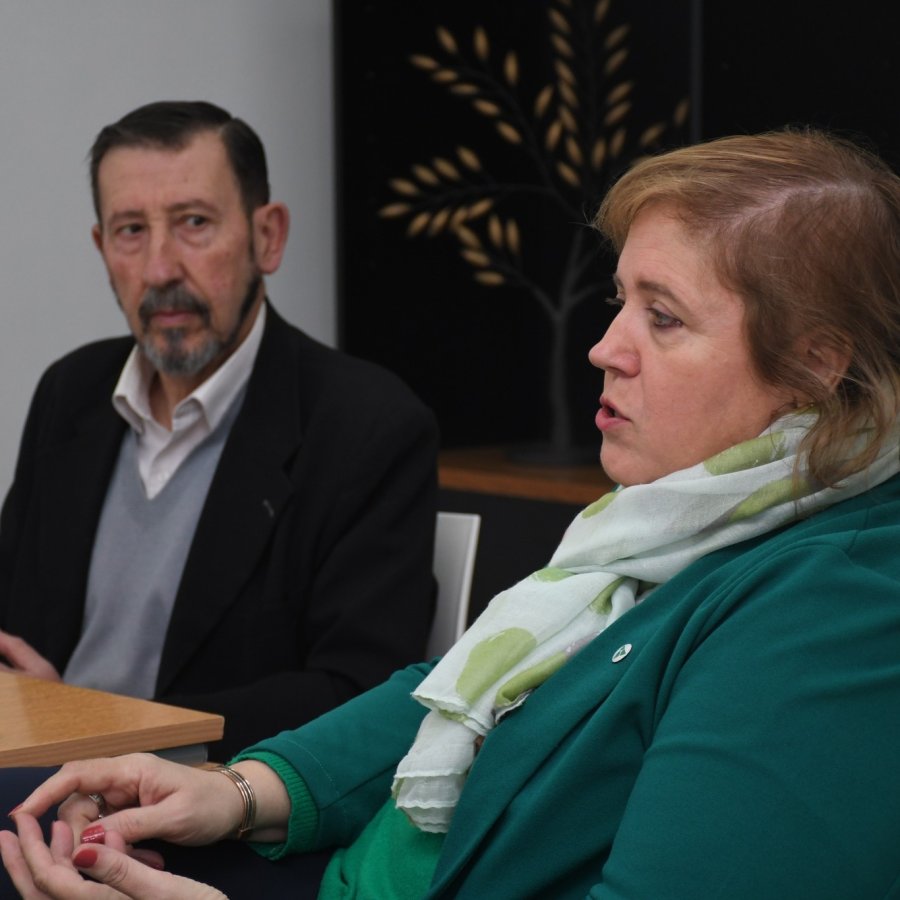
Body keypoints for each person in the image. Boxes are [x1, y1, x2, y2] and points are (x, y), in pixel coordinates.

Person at [5, 125, 900, 899]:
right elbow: (457, 690)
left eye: (662, 317)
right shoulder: (677, 520)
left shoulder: (834, 609)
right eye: (618, 301)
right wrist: (240, 791)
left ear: (814, 366)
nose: (604, 347)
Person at [0, 100, 440, 758]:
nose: (160, 269)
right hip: (33, 780)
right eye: (130, 231)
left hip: (215, 801)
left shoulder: (368, 428)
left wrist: (100, 733)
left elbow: (360, 695)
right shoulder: (71, 393)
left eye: (194, 224)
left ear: (268, 237)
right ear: (102, 249)